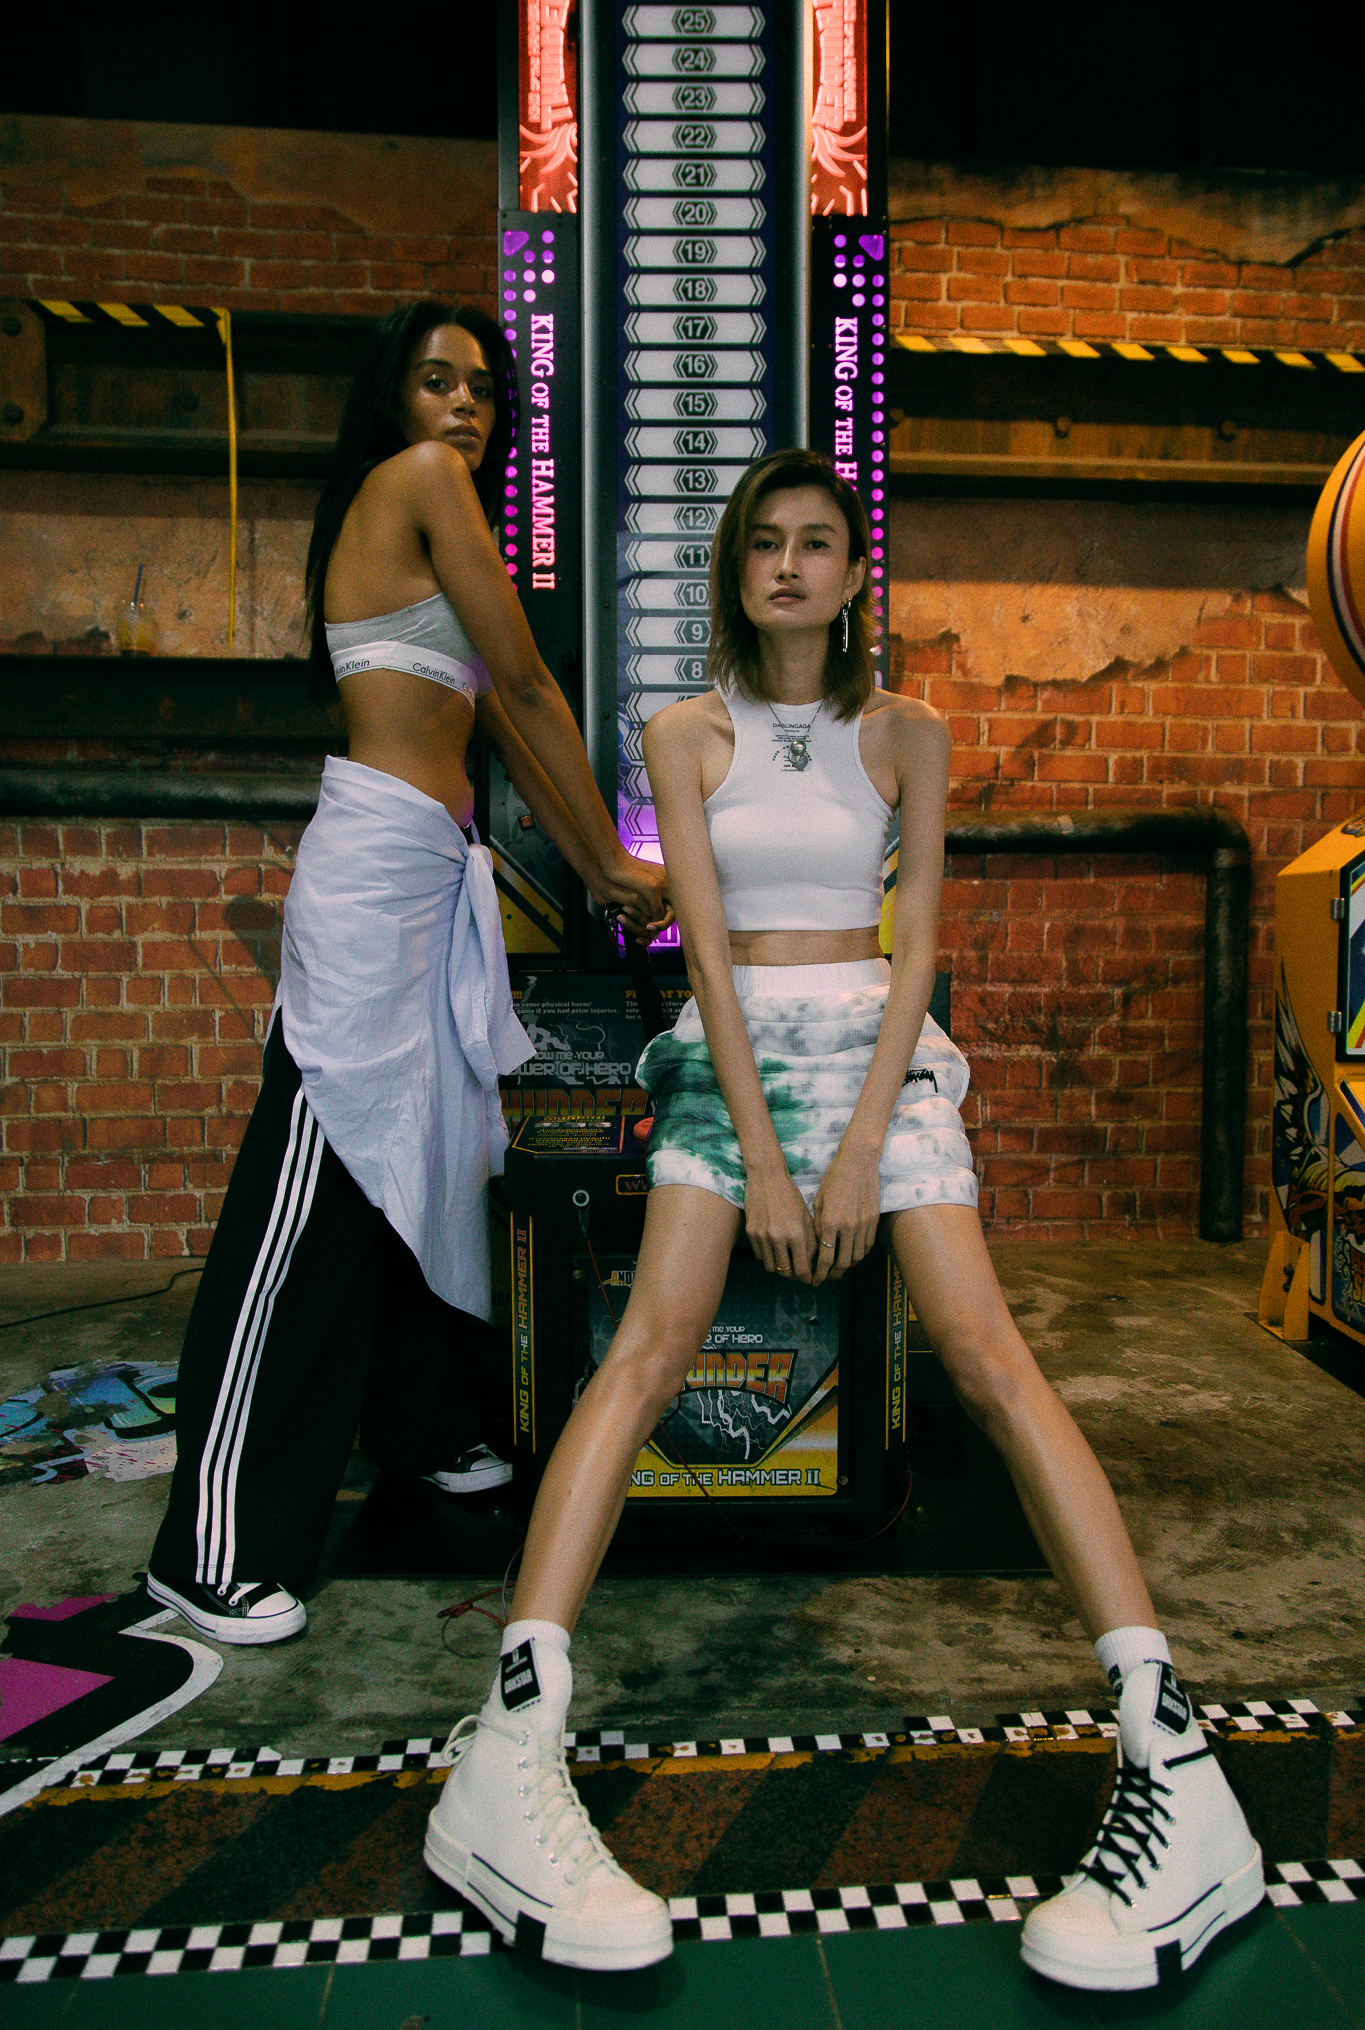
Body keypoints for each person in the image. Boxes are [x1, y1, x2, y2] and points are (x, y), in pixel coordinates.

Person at [424, 449, 1263, 1992]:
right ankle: (510, 1737)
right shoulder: (682, 733)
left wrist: (865, 1140)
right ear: (736, 568)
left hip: (879, 1047)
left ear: (853, 571)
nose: (789, 565)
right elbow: (702, 959)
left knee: (990, 1360)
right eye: (765, 542)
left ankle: (1174, 1752)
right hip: (731, 1054)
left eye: (817, 542)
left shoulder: (907, 732)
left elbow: (916, 939)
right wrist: (760, 1151)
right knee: (644, 1356)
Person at [146, 302, 667, 1646]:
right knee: (309, 1192)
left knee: (432, 1166)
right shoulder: (423, 480)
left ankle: (420, 1428)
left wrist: (596, 867)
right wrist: (617, 862)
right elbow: (529, 687)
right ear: (396, 399)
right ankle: (208, 1549)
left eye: (484, 388)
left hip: (435, 877)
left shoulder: (438, 522)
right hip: (376, 876)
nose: (465, 407)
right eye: (439, 381)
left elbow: (499, 715)